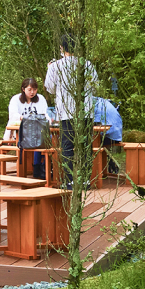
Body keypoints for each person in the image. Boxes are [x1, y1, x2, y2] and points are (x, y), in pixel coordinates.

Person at [45, 34, 98, 188]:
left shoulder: (56, 66)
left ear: (62, 48)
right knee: (85, 145)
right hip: (85, 111)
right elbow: (94, 87)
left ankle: (70, 180)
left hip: (66, 113)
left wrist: (49, 69)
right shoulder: (87, 64)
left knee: (67, 147)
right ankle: (85, 180)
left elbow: (50, 88)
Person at [6, 78, 49, 179]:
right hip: (21, 132)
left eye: (34, 89)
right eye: (29, 89)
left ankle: (40, 166)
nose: (32, 92)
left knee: (47, 138)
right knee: (35, 139)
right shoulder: (16, 99)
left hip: (38, 130)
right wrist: (25, 118)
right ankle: (36, 168)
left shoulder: (41, 99)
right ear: (23, 89)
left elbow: (46, 115)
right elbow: (13, 115)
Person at [94, 97, 122, 174]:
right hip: (116, 133)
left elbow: (92, 122)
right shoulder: (100, 102)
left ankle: (96, 173)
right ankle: (111, 165)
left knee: (89, 144)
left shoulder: (93, 105)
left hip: (111, 135)